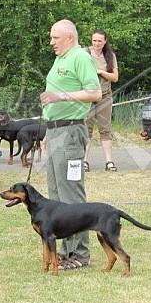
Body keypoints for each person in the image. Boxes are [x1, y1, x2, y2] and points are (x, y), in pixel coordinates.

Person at [40, 19, 101, 270]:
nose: (51, 42)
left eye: (55, 38)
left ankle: (80, 254)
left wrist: (60, 96)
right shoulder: (59, 60)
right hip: (55, 131)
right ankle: (63, 252)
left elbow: (95, 93)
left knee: (71, 193)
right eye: (51, 37)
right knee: (55, 196)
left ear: (70, 38)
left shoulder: (81, 57)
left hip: (71, 132)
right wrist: (47, 129)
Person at [83, 29, 119, 172]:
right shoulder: (84, 53)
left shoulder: (110, 56)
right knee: (86, 128)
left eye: (99, 41)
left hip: (105, 95)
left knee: (105, 128)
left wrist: (102, 72)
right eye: (94, 40)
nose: (97, 43)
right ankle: (84, 161)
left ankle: (109, 161)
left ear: (105, 41)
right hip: (87, 95)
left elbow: (115, 78)